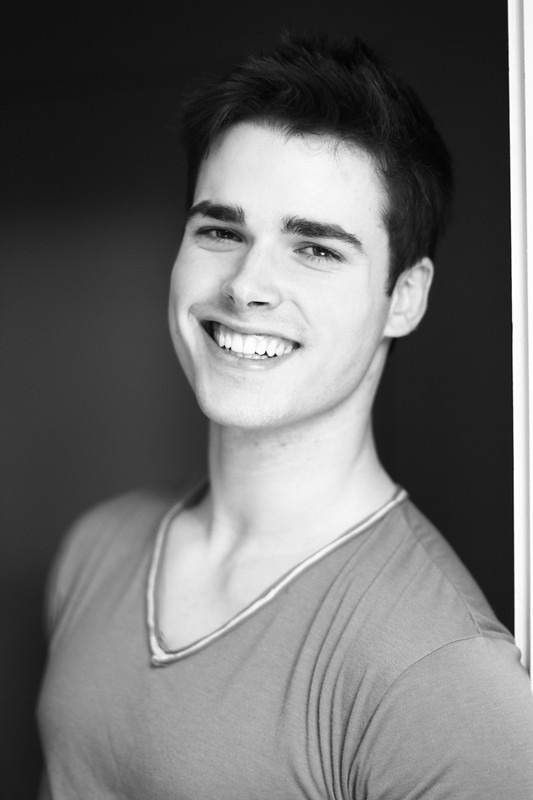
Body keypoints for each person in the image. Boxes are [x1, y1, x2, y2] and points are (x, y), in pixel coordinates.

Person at [38, 33, 533, 799]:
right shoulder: (95, 550)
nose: (245, 285)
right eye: (220, 231)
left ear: (404, 297)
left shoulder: (443, 674)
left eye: (316, 249)